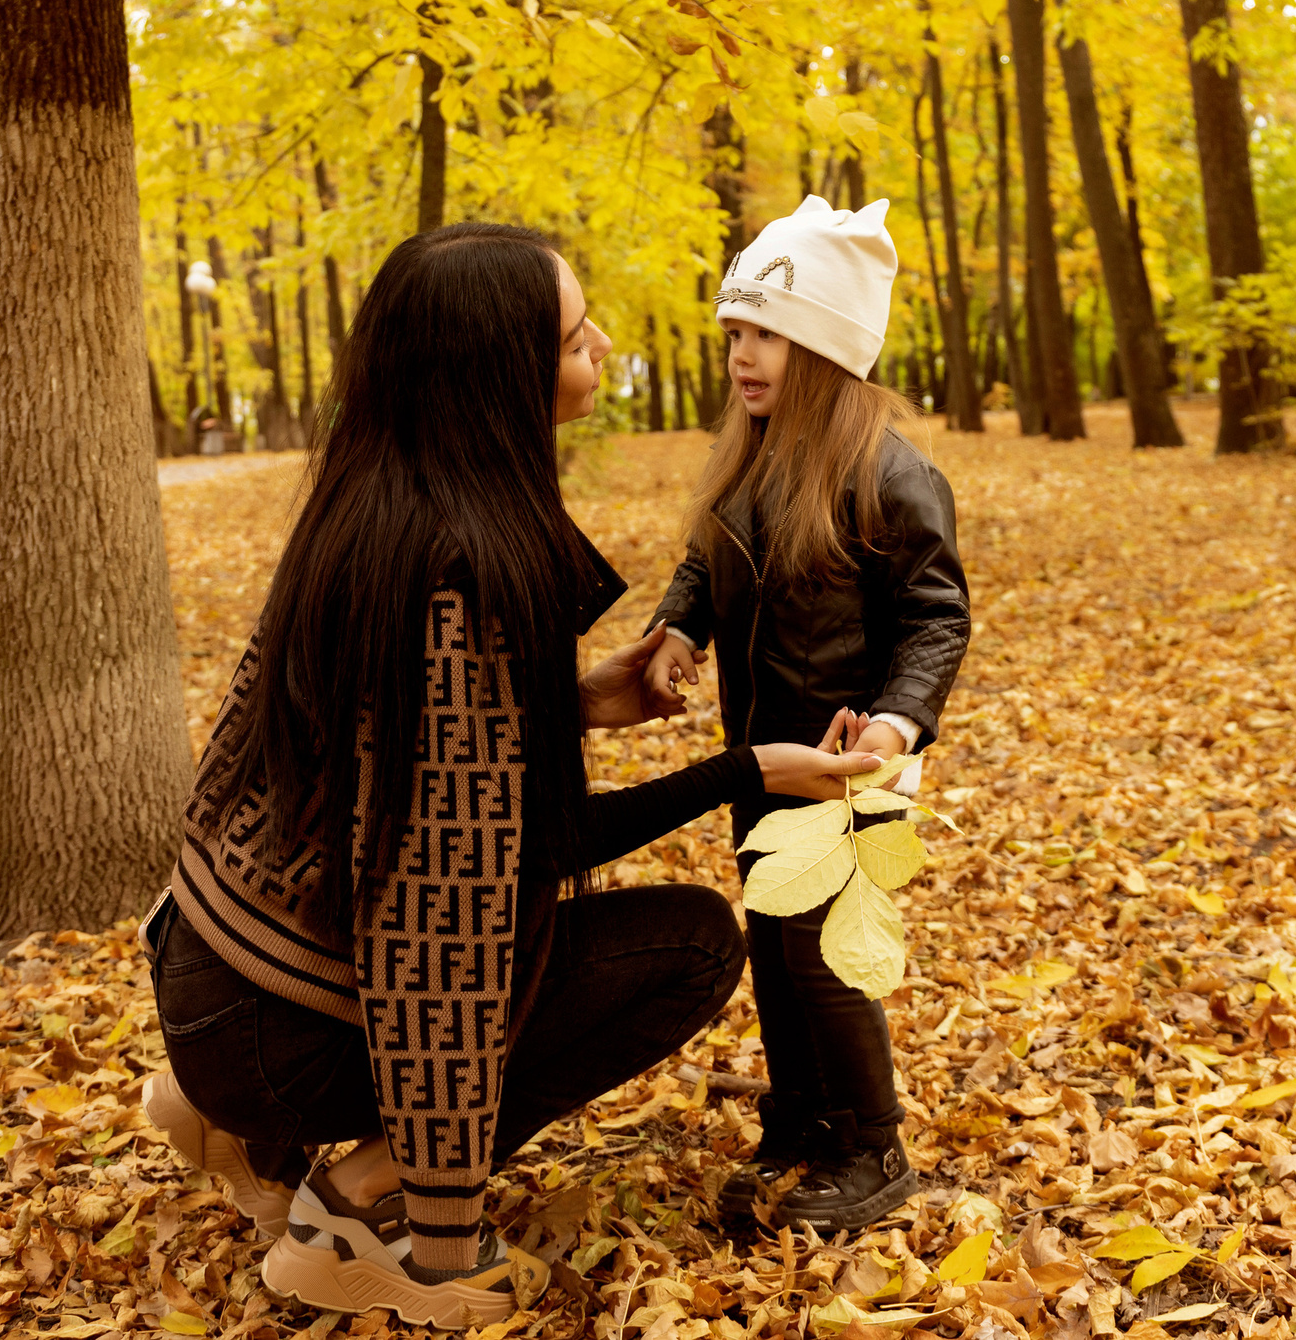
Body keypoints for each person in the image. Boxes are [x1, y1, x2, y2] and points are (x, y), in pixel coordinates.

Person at [135, 222, 881, 1329]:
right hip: (275, 1024)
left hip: (210, 973)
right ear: (498, 376)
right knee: (691, 946)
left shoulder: (373, 505)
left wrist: (566, 704)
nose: (602, 344)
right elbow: (450, 915)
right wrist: (438, 1225)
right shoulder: (459, 579)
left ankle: (224, 1115)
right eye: (577, 338)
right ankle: (348, 1202)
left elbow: (381, 758)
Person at [643, 197, 971, 1233]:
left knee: (822, 949)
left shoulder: (886, 471)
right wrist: (674, 631)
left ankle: (874, 1146)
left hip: (842, 759)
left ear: (827, 349)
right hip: (759, 753)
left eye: (770, 336)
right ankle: (804, 1115)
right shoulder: (755, 455)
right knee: (773, 932)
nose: (744, 356)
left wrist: (894, 725)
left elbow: (935, 617)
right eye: (736, 333)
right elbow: (706, 558)